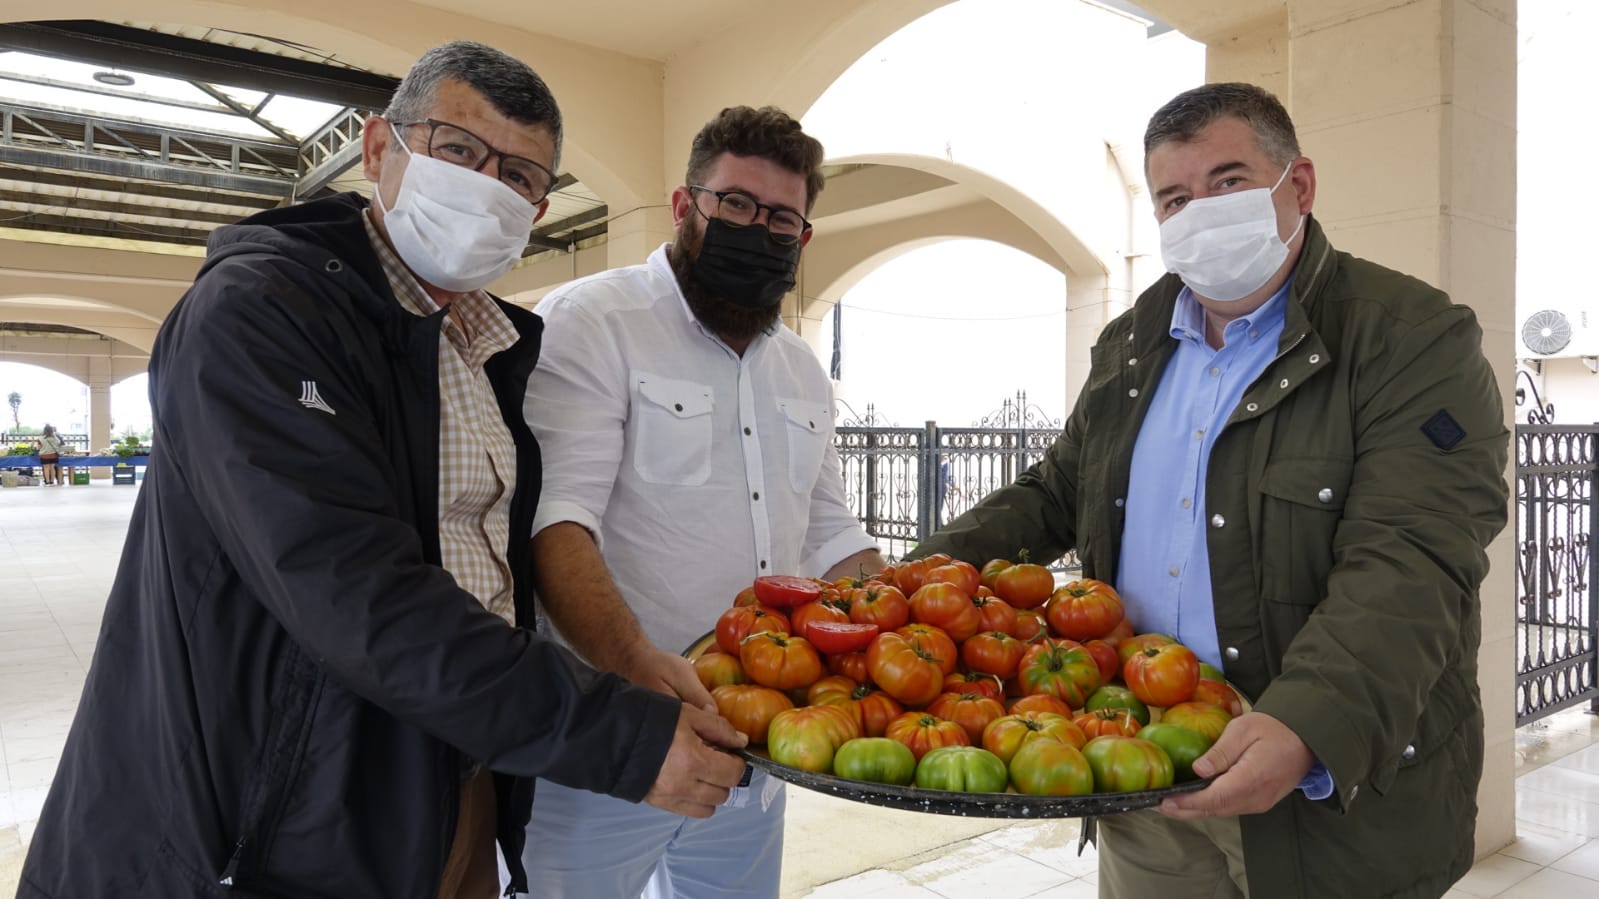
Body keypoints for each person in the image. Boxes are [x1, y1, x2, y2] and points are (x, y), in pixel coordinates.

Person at [18, 42, 746, 899]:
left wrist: (622, 660)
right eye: (459, 151)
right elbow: (355, 591)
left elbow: (490, 573)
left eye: (518, 175)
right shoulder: (259, 315)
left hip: (446, 779)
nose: (487, 187)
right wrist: (613, 732)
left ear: (540, 210)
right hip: (273, 816)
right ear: (377, 152)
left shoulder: (488, 353)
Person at [909, 82, 1509, 899]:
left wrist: (1307, 721)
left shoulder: (1409, 337)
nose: (1199, 212)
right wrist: (913, 581)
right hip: (1138, 757)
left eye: (1227, 182)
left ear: (1295, 186)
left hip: (1323, 782)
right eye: (1173, 198)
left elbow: (1411, 555)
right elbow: (1055, 489)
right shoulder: (1130, 345)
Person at [518, 105, 885, 898]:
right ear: (686, 206)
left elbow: (827, 528)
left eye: (781, 216)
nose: (759, 228)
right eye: (736, 204)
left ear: (803, 237)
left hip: (759, 739)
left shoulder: (799, 369)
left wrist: (912, 617)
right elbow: (556, 520)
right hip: (612, 741)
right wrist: (638, 678)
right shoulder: (593, 323)